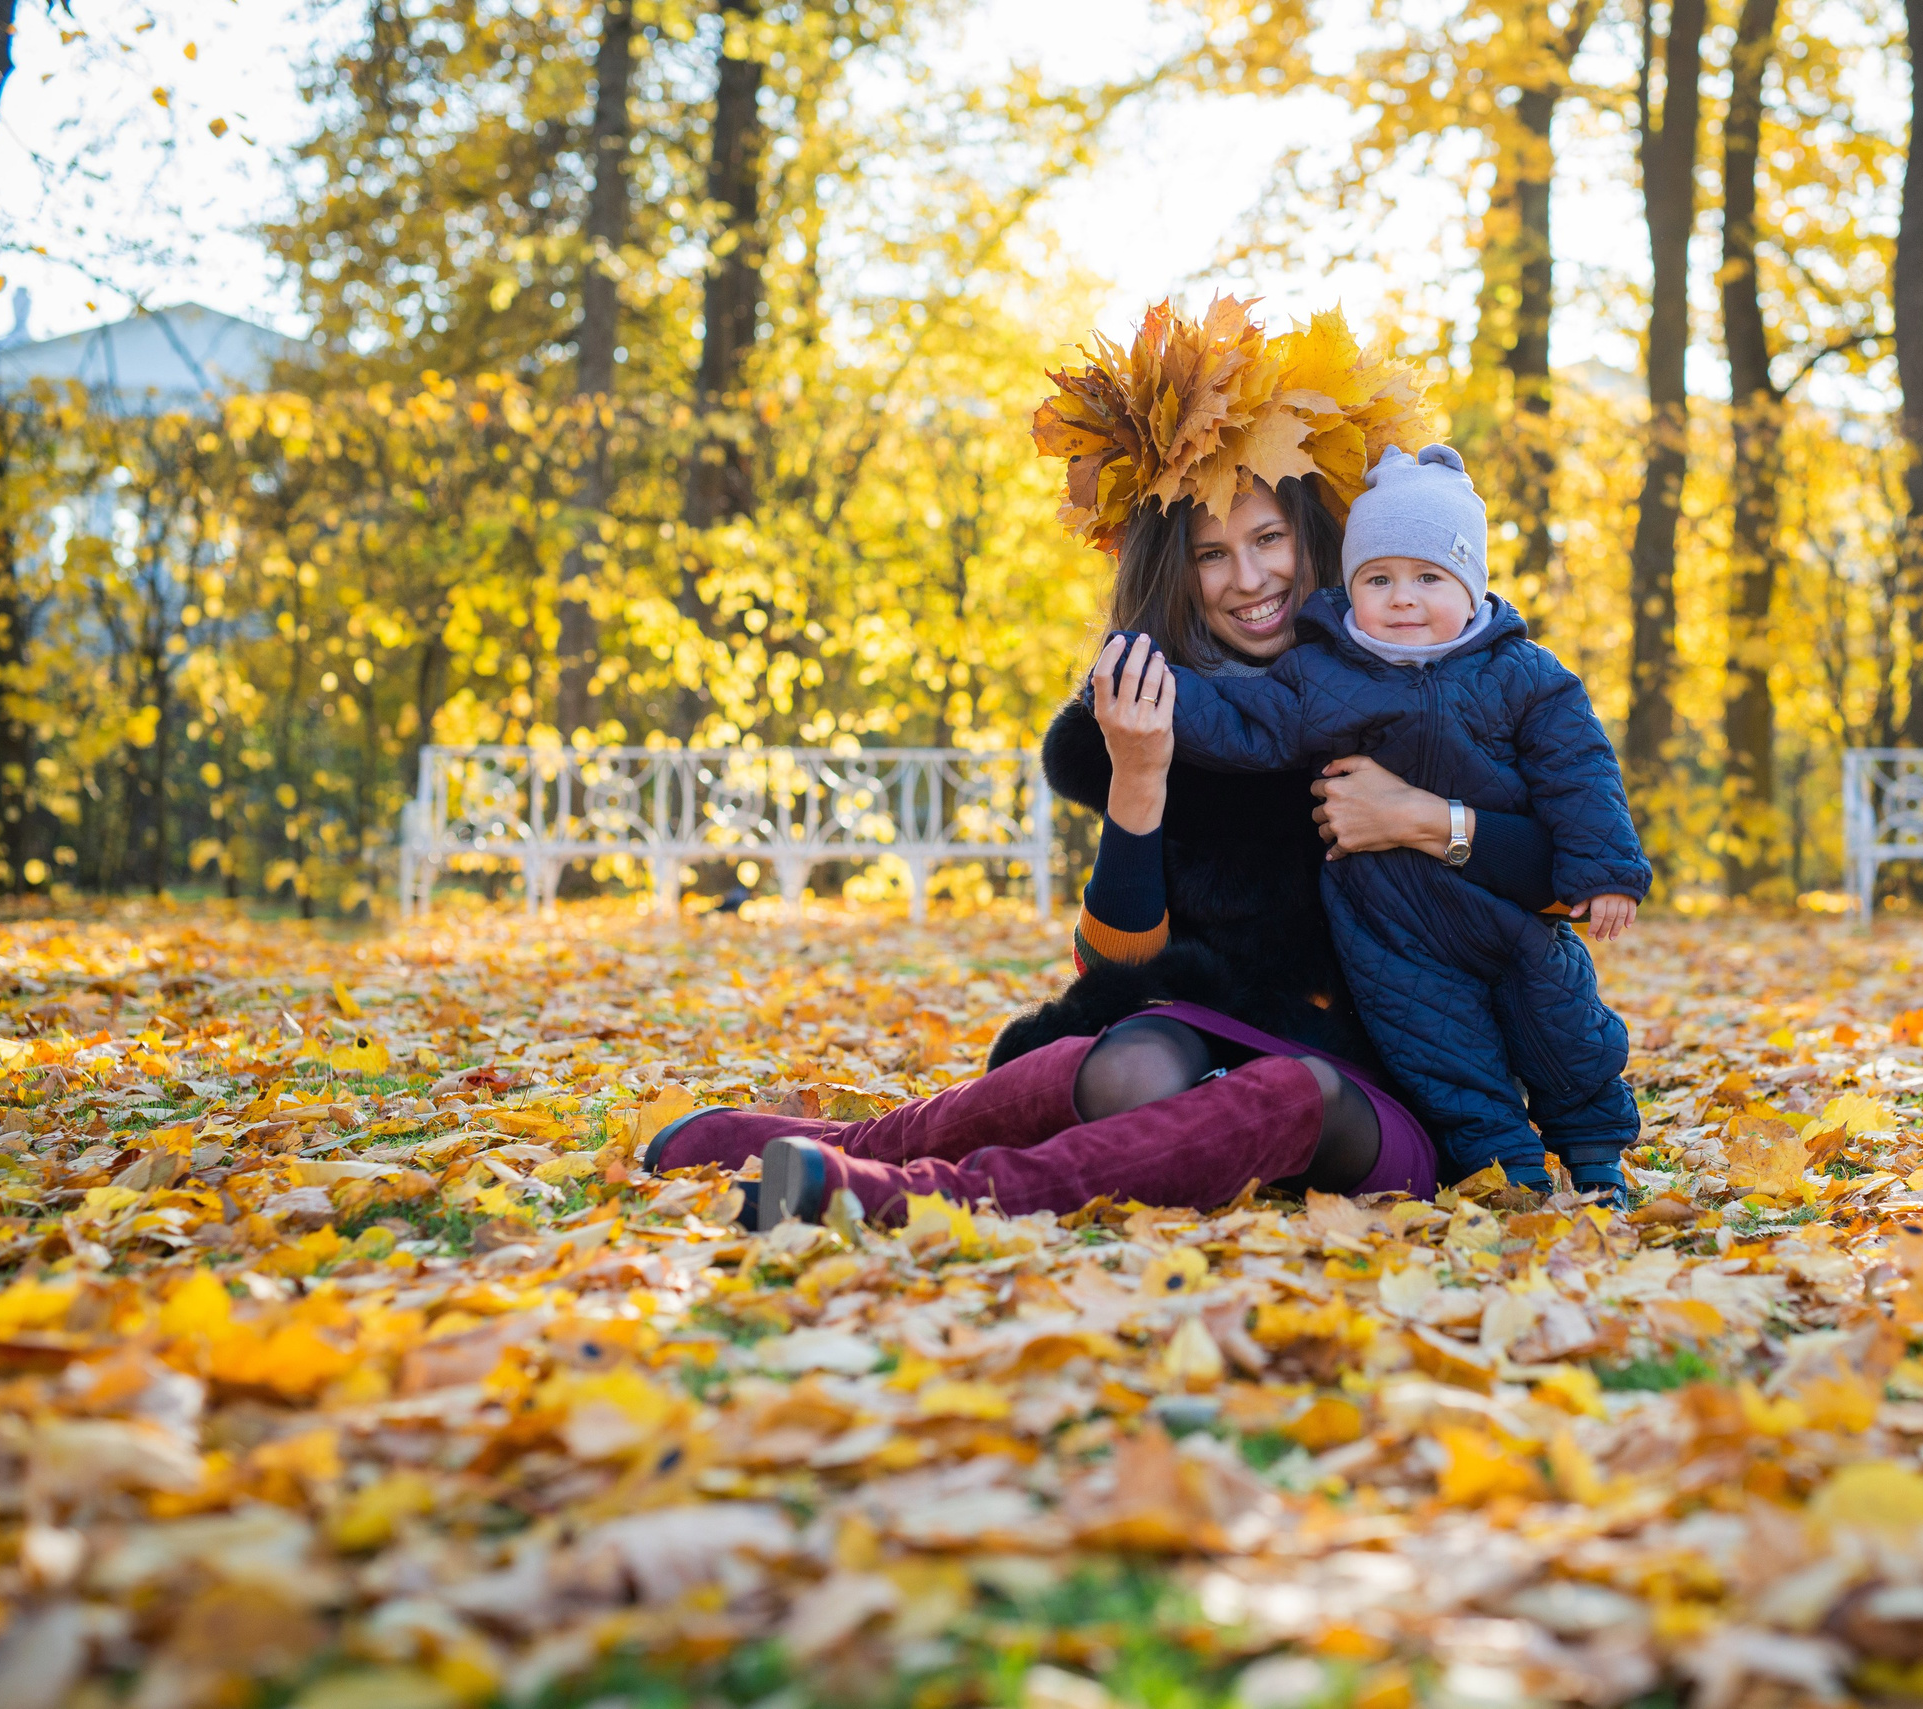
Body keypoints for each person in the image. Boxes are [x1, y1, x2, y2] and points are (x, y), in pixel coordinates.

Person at [647, 298, 1565, 1224]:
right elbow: (1111, 969)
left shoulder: (1436, 673)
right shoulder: (1170, 710)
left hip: (1408, 1087)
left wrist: (1422, 818)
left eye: (1268, 540)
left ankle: (927, 1200)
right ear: (1178, 572)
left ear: (1314, 539)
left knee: (1296, 1088)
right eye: (1212, 554)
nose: (1248, 579)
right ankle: (841, 1151)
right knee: (1133, 1058)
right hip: (1219, 1024)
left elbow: (1570, 876)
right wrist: (1140, 777)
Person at [1148, 443, 1650, 1198]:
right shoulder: (1324, 673)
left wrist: (1609, 871)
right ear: (1351, 588)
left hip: (1506, 918)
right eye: (1378, 579)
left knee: (1567, 1034)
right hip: (1396, 936)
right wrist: (1154, 684)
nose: (1404, 597)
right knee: (1449, 1061)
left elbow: (1581, 774)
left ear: (1471, 587)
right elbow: (1245, 720)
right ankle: (1510, 1178)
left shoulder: (1524, 675)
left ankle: (1598, 1160)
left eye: (1428, 578)